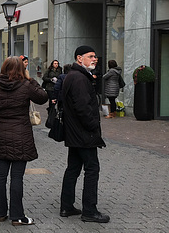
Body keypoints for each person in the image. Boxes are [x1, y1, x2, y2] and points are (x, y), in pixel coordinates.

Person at [0, 56, 48, 226]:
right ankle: (17, 216)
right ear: (21, 69)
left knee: (0, 175)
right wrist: (31, 79)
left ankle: (0, 213)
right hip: (21, 135)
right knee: (17, 177)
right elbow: (43, 97)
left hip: (1, 135)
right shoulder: (26, 85)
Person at [60, 45, 109, 223]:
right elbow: (83, 108)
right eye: (90, 56)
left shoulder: (75, 76)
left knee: (73, 168)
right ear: (79, 58)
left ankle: (67, 206)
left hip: (75, 133)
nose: (94, 59)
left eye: (95, 56)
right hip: (83, 133)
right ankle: (89, 210)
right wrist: (93, 126)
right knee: (92, 169)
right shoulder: (79, 78)